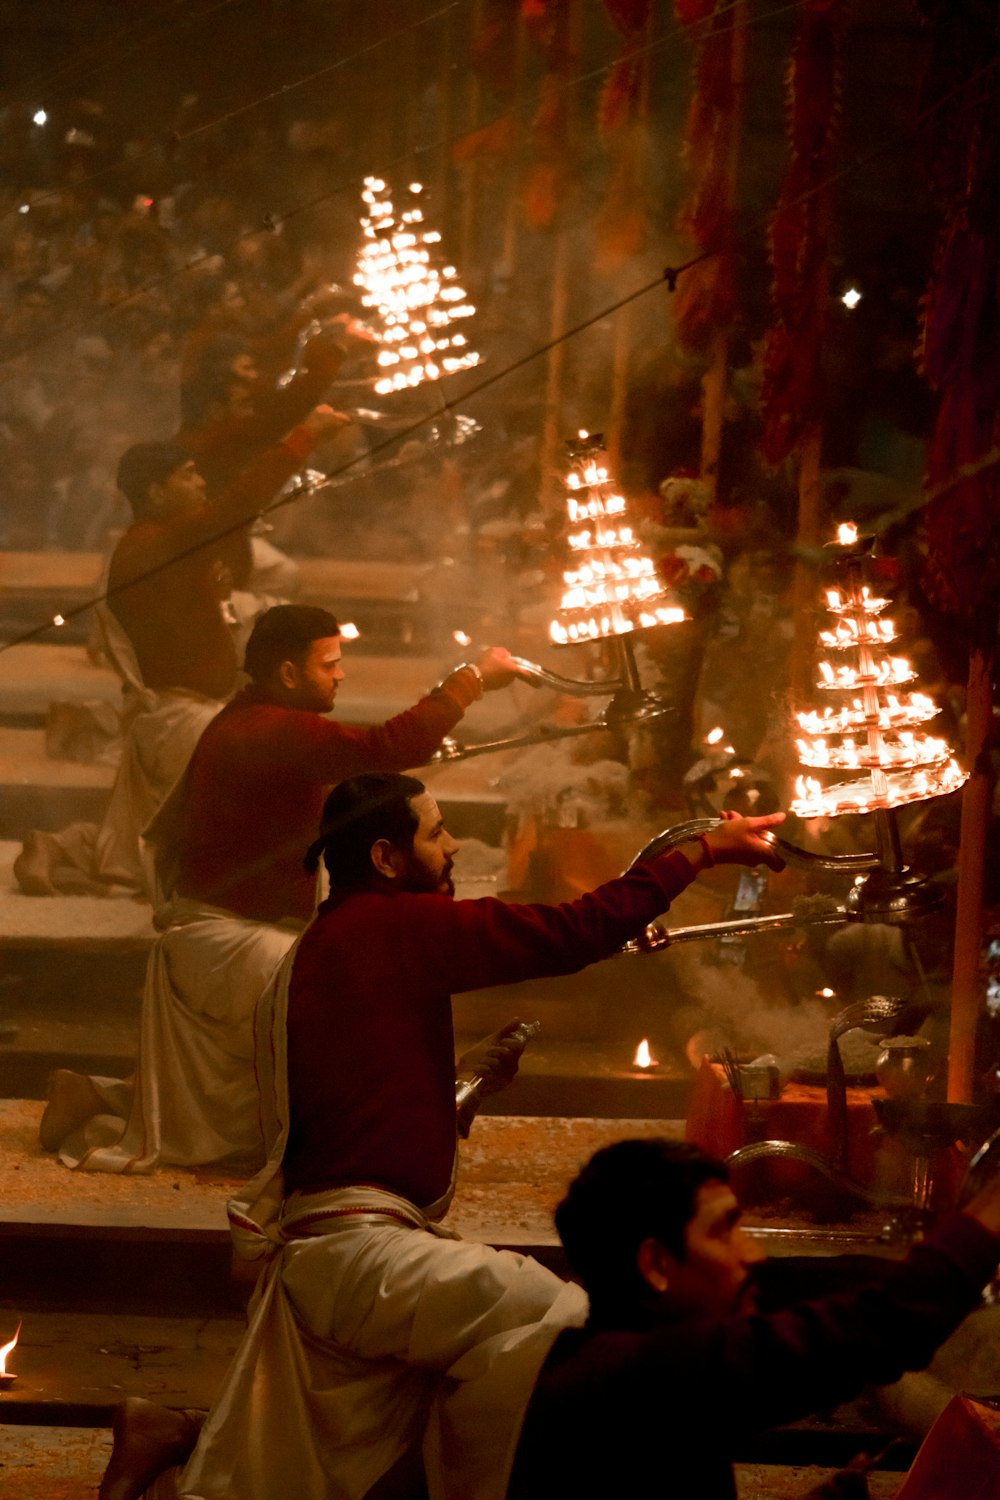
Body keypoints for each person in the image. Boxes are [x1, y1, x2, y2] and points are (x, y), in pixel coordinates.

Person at [98, 774, 786, 1499]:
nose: (454, 845)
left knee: (334, 1451)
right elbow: (572, 932)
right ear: (389, 858)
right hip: (363, 1256)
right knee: (564, 1324)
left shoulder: (325, 947)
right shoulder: (392, 927)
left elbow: (351, 1117)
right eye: (436, 832)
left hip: (335, 1254)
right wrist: (701, 851)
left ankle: (171, 1433)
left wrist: (463, 1087)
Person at [41, 610, 528, 1172]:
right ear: (290, 674)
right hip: (227, 944)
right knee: (352, 1003)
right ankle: (408, 1121)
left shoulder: (258, 721)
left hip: (230, 936)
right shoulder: (269, 729)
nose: (341, 676)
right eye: (330, 664)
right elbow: (384, 748)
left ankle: (100, 1098)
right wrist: (473, 679)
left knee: (278, 1074)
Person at [507, 1137, 1000, 1499]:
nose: (752, 1255)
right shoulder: (636, 1376)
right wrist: (989, 1216)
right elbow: (871, 1329)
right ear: (656, 1264)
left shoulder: (617, 1363)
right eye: (724, 1232)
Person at [14, 409, 347, 899]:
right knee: (235, 819)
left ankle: (58, 849)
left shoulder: (164, 546)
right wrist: (305, 435)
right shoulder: (152, 544)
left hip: (195, 714)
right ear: (155, 494)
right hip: (181, 719)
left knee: (143, 843)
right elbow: (239, 504)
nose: (200, 485)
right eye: (187, 477)